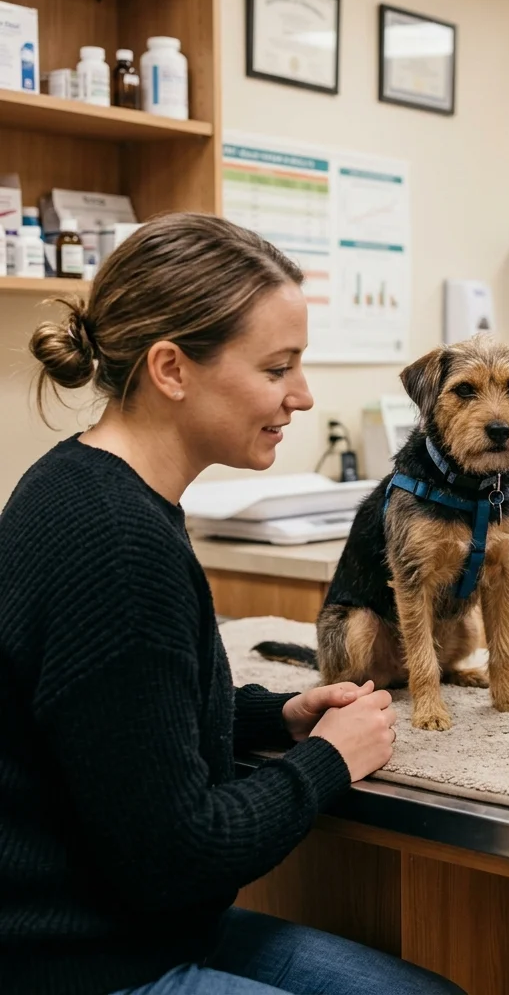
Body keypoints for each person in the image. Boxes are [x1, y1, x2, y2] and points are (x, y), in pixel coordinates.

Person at [0, 213, 463, 995]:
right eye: (278, 368)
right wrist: (330, 760)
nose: (304, 396)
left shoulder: (81, 482)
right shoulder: (118, 547)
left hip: (137, 927)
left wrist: (276, 715)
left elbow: (123, 718)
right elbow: (175, 857)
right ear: (171, 369)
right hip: (86, 963)